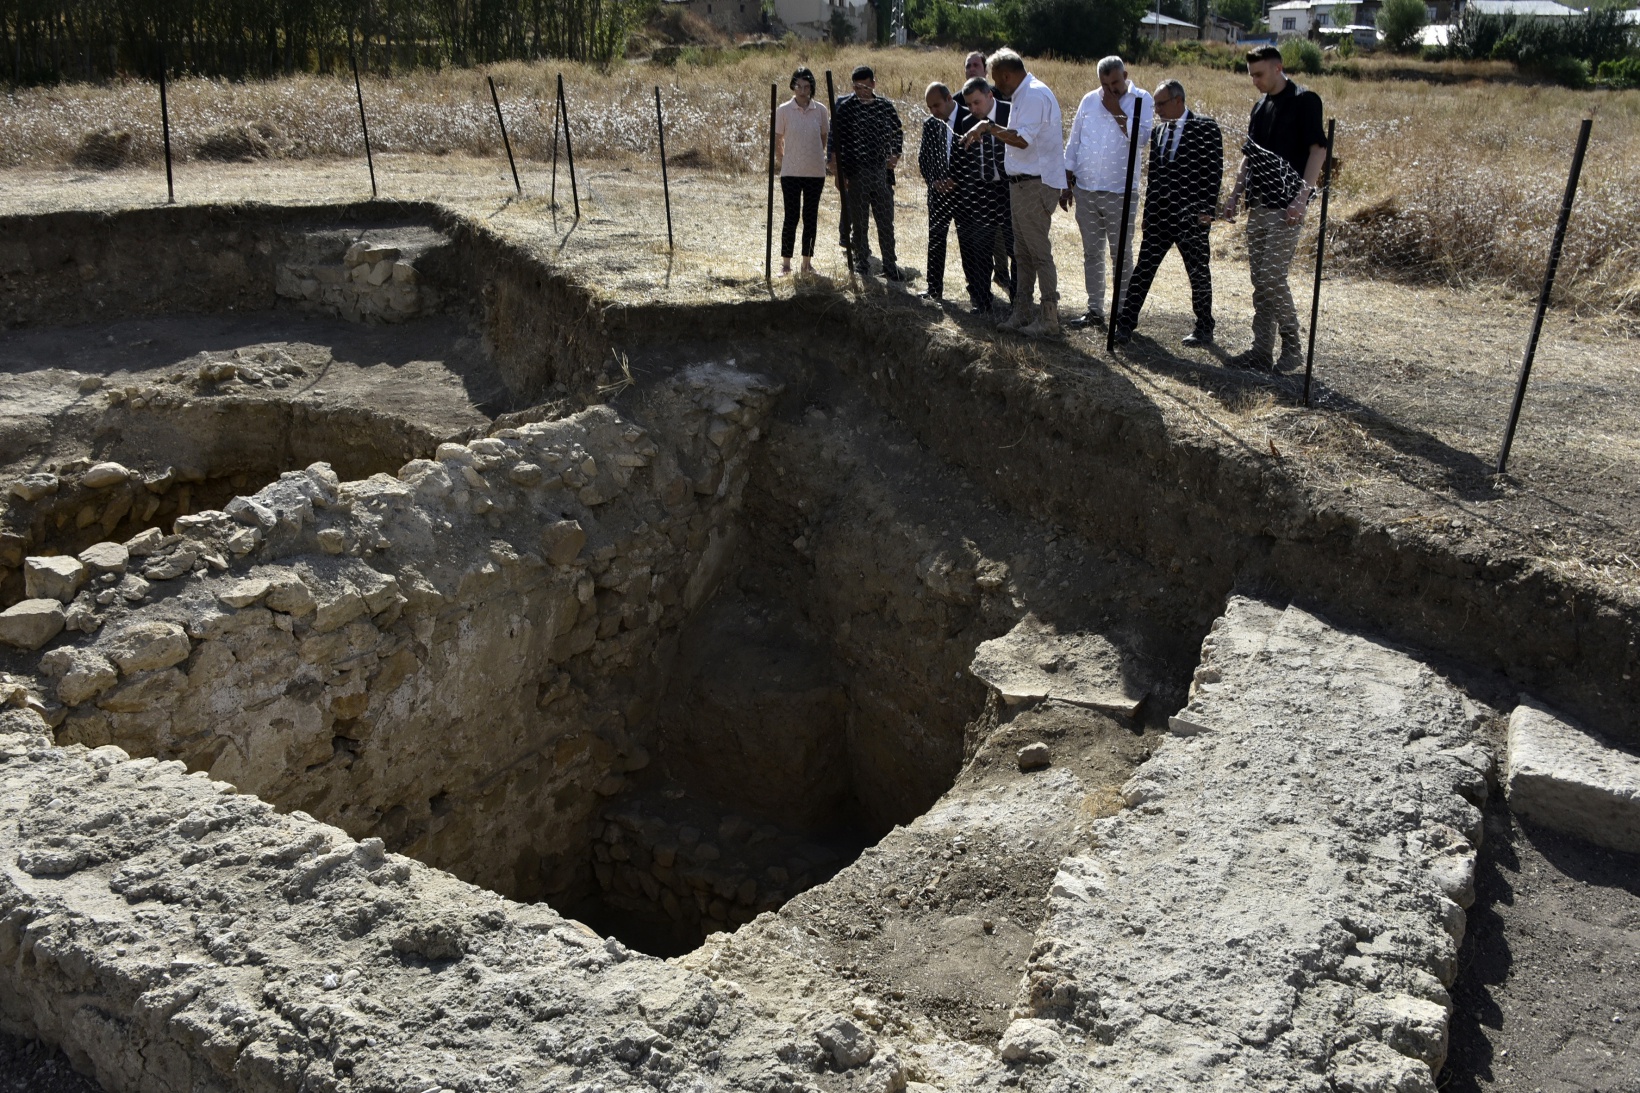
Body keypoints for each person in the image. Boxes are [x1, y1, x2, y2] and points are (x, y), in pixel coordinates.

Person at [1221, 44, 1327, 371]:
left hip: (1287, 206)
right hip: (1259, 204)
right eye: (1251, 75)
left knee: (1272, 276)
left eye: (1259, 74)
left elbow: (1318, 151)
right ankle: (1261, 350)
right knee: (1260, 280)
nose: (1254, 80)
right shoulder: (1260, 106)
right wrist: (1234, 194)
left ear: (1278, 68)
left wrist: (1301, 197)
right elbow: (1249, 156)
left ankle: (1293, 348)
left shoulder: (1304, 101)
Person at [962, 48, 1066, 337]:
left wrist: (988, 127)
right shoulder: (1022, 94)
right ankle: (1022, 312)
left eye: (996, 78)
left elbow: (1021, 140)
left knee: (1038, 252)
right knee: (1022, 252)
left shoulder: (1033, 95)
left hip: (1036, 183)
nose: (995, 84)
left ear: (1006, 74)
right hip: (1021, 184)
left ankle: (1048, 318)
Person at [1113, 79, 1223, 347]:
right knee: (1143, 270)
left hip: (1191, 217)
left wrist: (1207, 211)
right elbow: (1155, 178)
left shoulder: (1205, 128)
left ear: (1178, 101)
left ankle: (1204, 327)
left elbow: (1214, 172)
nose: (1157, 109)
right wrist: (1148, 215)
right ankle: (1126, 323)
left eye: (1161, 104)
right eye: (1156, 104)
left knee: (1197, 271)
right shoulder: (1159, 132)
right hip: (1160, 217)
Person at [1061, 56, 1153, 331]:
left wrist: (1116, 111)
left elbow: (1143, 140)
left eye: (1115, 82)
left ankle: (1123, 313)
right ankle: (1094, 310)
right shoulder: (1089, 100)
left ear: (1126, 73)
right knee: (1092, 252)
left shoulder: (1141, 99)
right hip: (1086, 189)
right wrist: (1067, 180)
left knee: (1121, 254)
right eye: (1104, 84)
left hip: (1120, 192)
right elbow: (1075, 139)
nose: (1110, 89)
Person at [827, 65, 905, 281]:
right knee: (859, 223)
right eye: (856, 86)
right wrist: (836, 171)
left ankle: (890, 265)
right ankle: (862, 263)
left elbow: (898, 132)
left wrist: (895, 155)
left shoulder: (885, 107)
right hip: (856, 174)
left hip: (882, 174)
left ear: (873, 83)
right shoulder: (845, 108)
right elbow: (834, 140)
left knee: (885, 222)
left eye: (865, 85)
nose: (861, 90)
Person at [957, 77, 1015, 315]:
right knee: (981, 247)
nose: (973, 109)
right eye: (969, 104)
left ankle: (1019, 303)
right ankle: (982, 301)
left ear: (990, 95)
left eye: (977, 103)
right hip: (982, 190)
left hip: (1011, 189)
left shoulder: (1011, 113)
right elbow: (965, 161)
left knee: (1015, 248)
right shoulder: (967, 122)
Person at [774, 67, 830, 277]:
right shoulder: (783, 110)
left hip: (815, 172)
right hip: (790, 173)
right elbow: (778, 138)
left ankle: (807, 263)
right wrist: (784, 158)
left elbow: (823, 137)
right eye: (799, 86)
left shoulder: (821, 110)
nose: (802, 90)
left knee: (810, 217)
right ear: (793, 86)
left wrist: (815, 154)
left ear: (811, 88)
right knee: (791, 216)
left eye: (807, 87)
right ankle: (786, 264)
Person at [918, 83, 968, 302]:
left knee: (969, 243)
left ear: (949, 99)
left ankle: (976, 292)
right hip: (939, 194)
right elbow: (924, 159)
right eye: (930, 108)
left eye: (936, 105)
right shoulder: (930, 125)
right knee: (936, 240)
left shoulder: (970, 119)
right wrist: (934, 181)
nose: (934, 111)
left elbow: (976, 158)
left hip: (965, 194)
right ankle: (933, 288)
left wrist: (957, 180)